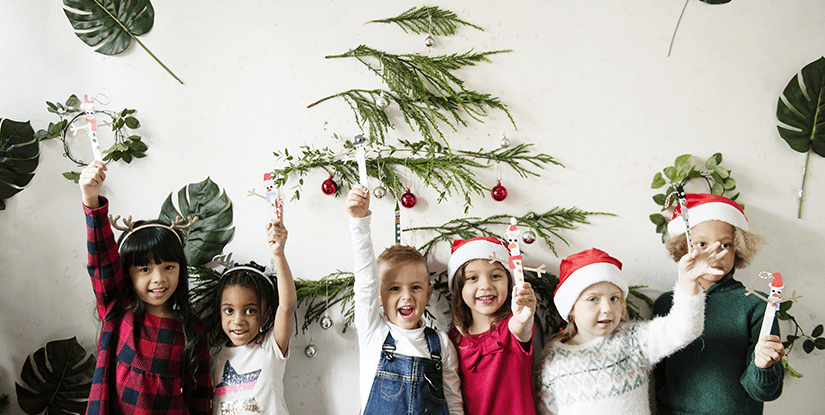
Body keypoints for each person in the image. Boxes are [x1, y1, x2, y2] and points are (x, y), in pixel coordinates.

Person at [79, 161, 212, 414]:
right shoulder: (120, 311)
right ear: (127, 273)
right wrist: (90, 199)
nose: (159, 279)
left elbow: (200, 399)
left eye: (169, 267)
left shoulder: (192, 330)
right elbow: (102, 261)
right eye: (145, 269)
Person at [653, 193, 784, 415]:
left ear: (738, 249)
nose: (715, 254)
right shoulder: (667, 303)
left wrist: (763, 366)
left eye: (725, 245)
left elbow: (765, 392)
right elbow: (657, 375)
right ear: (684, 248)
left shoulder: (756, 305)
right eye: (702, 244)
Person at [537, 247, 709, 414]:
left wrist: (688, 284)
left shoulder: (633, 340)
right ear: (571, 308)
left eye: (614, 298)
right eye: (593, 299)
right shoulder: (554, 359)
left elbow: (682, 330)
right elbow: (547, 409)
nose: (607, 308)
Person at [346, 184, 463, 414]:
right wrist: (359, 223)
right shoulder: (374, 332)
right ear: (379, 297)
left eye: (416, 287)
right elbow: (365, 283)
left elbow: (453, 401)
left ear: (428, 294)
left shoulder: (441, 344)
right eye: (395, 289)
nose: (406, 296)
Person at [207, 218, 297, 414]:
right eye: (229, 310)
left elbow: (288, 306)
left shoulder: (271, 346)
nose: (238, 320)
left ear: (267, 313)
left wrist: (279, 254)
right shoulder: (214, 354)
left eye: (250, 310)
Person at [446, 236, 537, 415]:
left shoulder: (511, 328)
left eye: (495, 276)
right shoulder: (452, 340)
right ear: (459, 288)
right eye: (472, 278)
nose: (485, 286)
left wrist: (524, 316)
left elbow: (521, 326)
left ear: (509, 282)